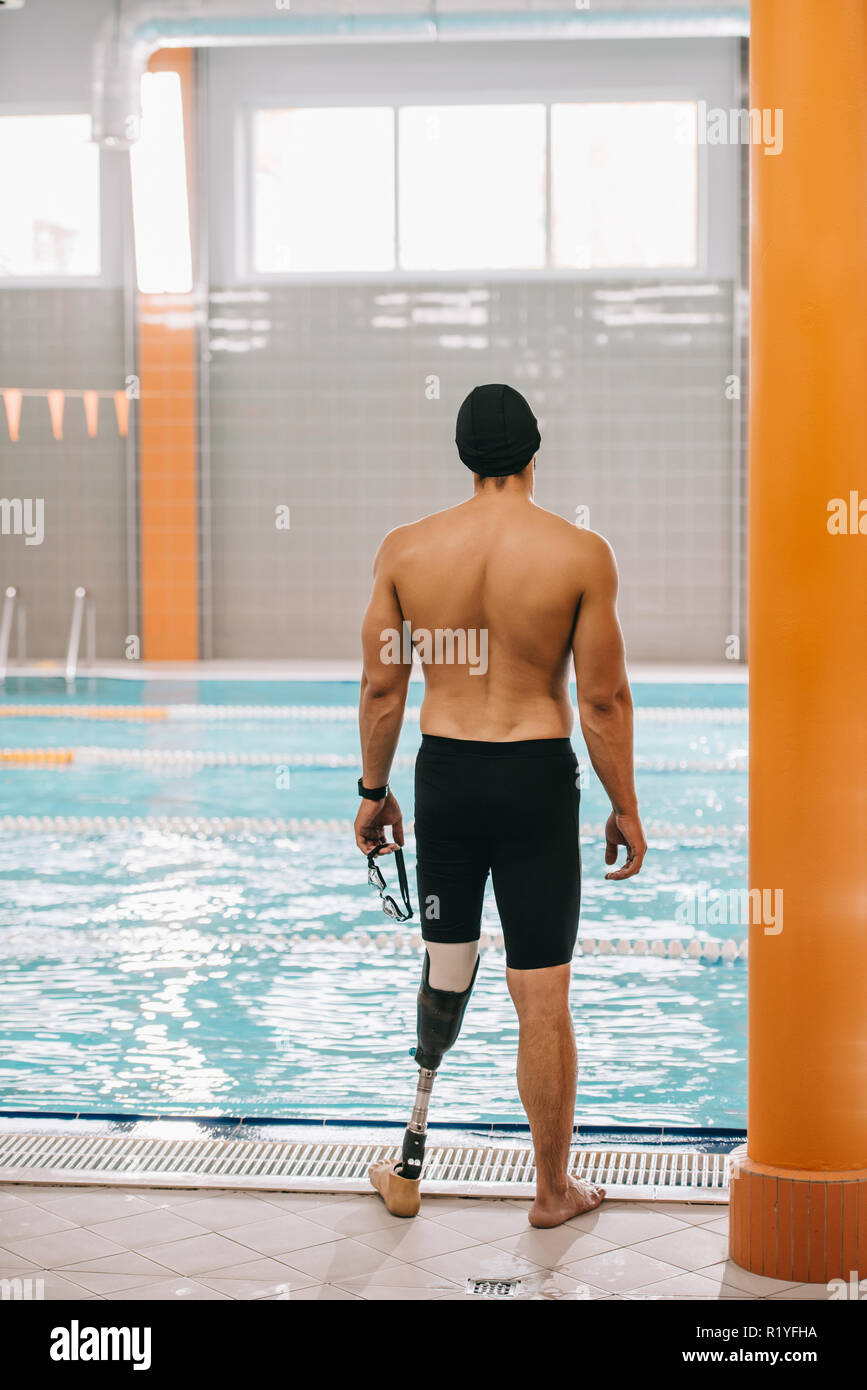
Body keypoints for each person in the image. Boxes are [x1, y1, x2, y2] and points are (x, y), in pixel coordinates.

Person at [354, 383, 647, 1228]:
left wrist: (374, 793)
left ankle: (408, 1154)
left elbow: (382, 686)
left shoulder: (406, 551)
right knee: (541, 994)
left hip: (445, 777)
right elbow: (602, 701)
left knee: (447, 965)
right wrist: (623, 805)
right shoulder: (579, 553)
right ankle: (552, 1193)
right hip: (534, 780)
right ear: (531, 454)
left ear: (463, 456)